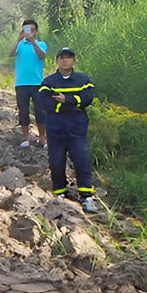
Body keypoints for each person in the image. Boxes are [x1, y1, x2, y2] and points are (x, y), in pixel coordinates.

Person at [39, 48, 98, 212]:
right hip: (55, 128)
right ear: (57, 60)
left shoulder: (83, 80)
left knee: (82, 160)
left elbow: (88, 98)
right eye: (62, 58)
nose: (65, 60)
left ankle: (86, 196)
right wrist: (71, 104)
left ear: (74, 60)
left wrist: (67, 100)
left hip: (76, 128)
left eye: (69, 57)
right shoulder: (48, 82)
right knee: (56, 162)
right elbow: (45, 103)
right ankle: (60, 194)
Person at [10, 19, 48, 149]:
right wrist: (18, 39)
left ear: (36, 32)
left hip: (37, 83)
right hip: (21, 83)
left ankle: (42, 137)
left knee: (40, 111)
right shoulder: (20, 45)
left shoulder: (41, 44)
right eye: (27, 30)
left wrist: (33, 44)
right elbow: (10, 54)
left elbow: (42, 56)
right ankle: (26, 137)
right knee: (23, 111)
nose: (29, 33)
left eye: (32, 30)